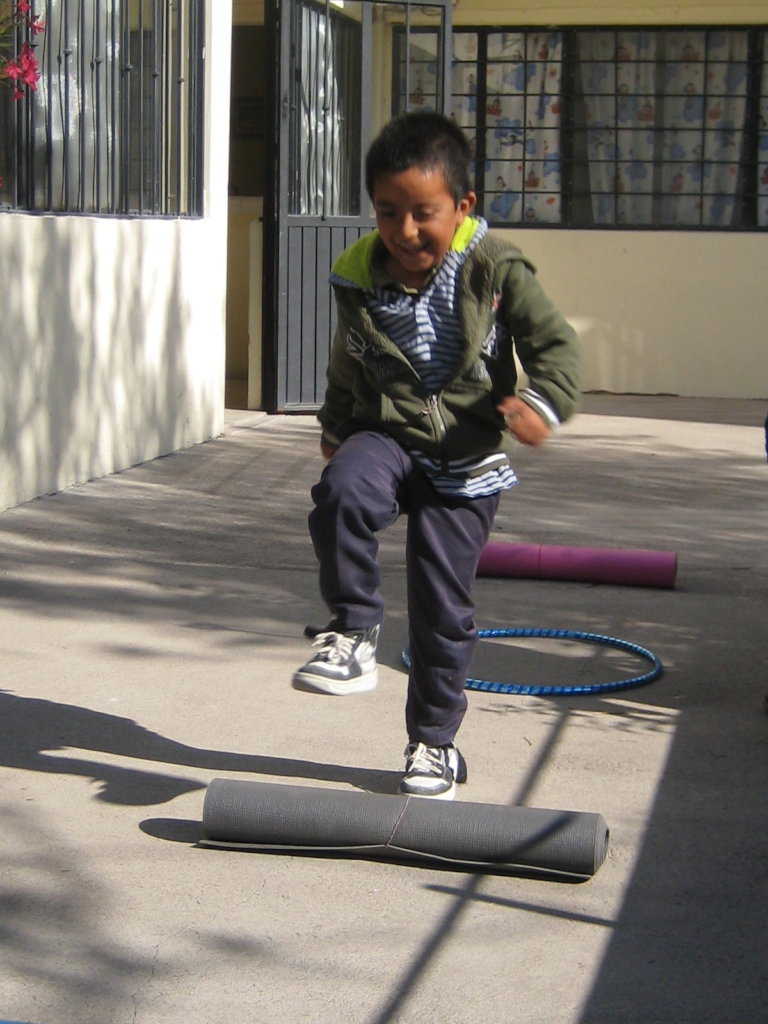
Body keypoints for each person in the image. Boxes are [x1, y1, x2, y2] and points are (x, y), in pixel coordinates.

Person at [292, 111, 582, 799]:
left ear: (462, 206)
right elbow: (347, 363)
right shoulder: (359, 277)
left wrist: (541, 407)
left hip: (468, 458)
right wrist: (336, 427)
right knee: (342, 490)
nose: (405, 231)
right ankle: (353, 631)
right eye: (388, 213)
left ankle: (433, 744)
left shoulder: (492, 269)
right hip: (387, 434)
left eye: (424, 213)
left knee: (441, 609)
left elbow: (557, 347)